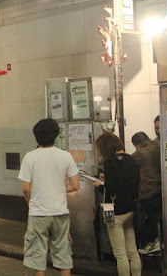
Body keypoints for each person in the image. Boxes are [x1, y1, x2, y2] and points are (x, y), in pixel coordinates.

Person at [18, 118, 80, 276]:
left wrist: (30, 203)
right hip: (60, 212)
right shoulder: (65, 156)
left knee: (38, 257)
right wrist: (57, 188)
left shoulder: (30, 157)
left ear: (36, 136)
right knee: (63, 252)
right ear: (56, 135)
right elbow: (75, 185)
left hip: (38, 213)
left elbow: (26, 189)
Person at [94, 133, 141, 276]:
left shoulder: (110, 163)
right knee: (132, 250)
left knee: (120, 254)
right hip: (130, 210)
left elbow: (111, 189)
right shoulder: (132, 160)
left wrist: (100, 185)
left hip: (115, 213)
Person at [131, 131, 162, 254]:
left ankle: (152, 243)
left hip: (148, 192)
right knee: (158, 219)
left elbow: (128, 163)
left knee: (146, 221)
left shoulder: (140, 153)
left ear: (137, 145)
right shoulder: (158, 147)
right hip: (161, 190)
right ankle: (159, 241)